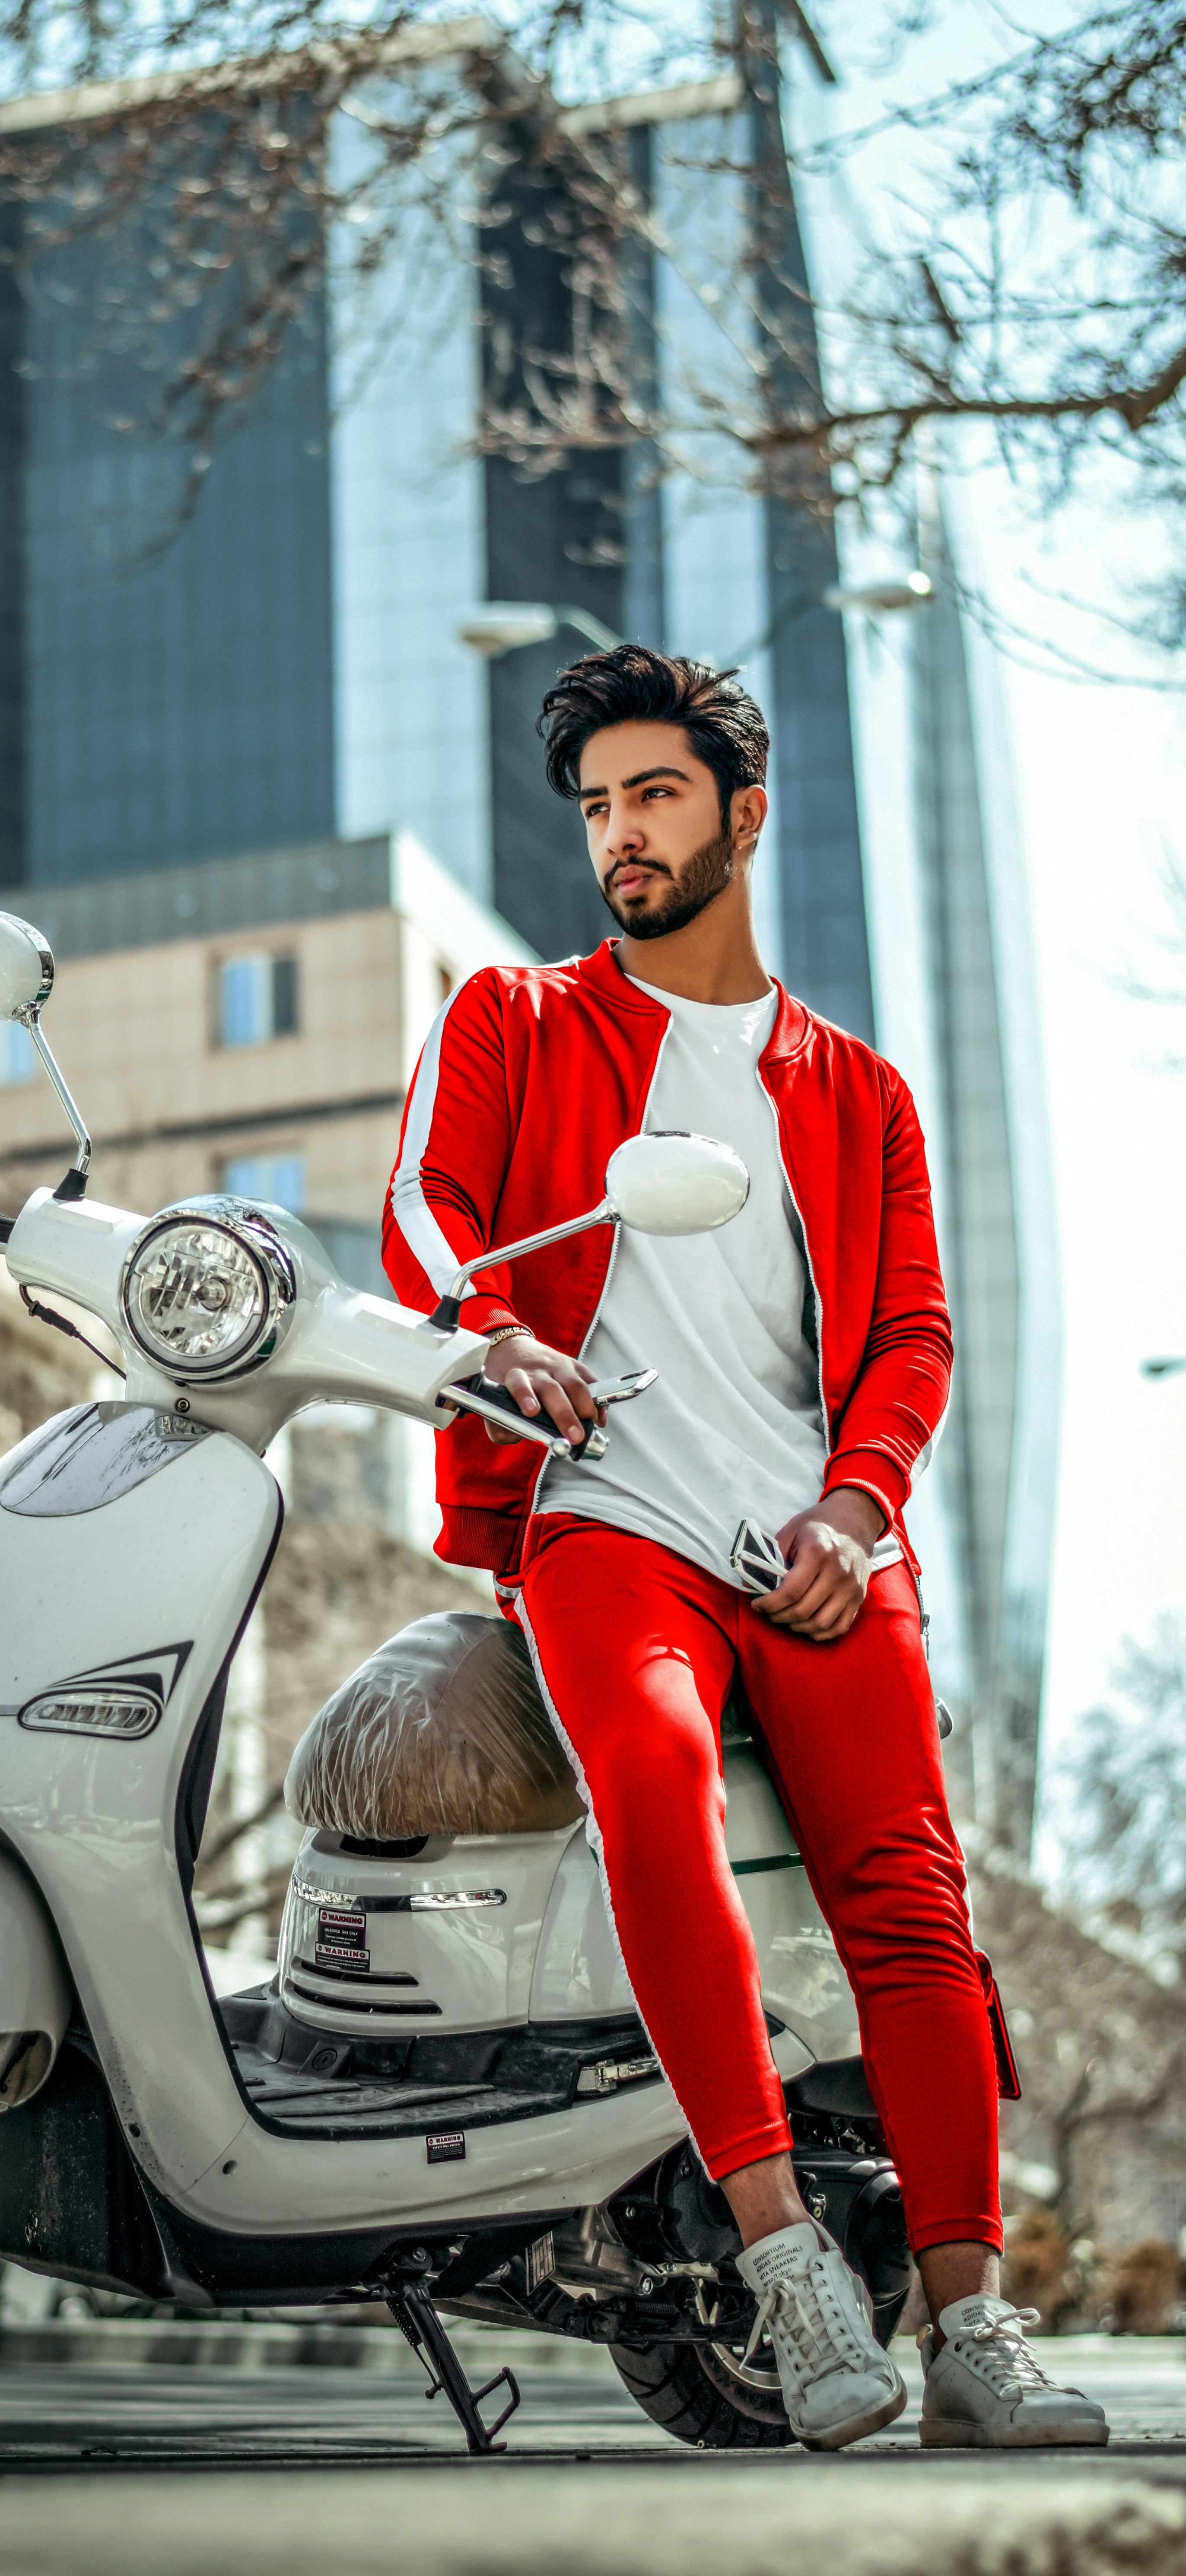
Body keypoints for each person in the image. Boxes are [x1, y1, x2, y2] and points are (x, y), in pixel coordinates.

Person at [382, 644, 1105, 2453]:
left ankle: (968, 2323)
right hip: (606, 1512)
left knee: (912, 1895)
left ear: (742, 817)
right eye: (598, 806)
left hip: (814, 1541)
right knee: (649, 1777)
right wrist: (492, 1333)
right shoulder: (514, 1020)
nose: (619, 836)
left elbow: (913, 1337)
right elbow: (425, 1208)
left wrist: (856, 1513)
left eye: (654, 797)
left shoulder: (854, 1093)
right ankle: (781, 2264)